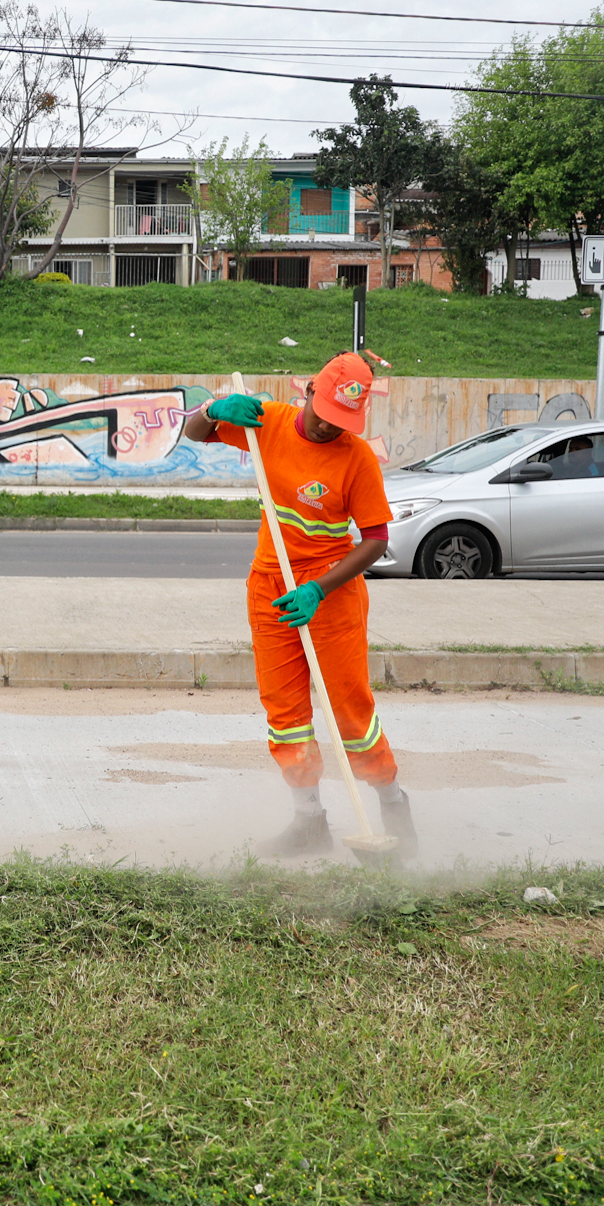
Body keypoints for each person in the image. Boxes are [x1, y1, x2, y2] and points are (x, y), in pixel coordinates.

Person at [181, 352, 415, 857]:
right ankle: (309, 821)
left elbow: (375, 539)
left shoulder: (356, 459)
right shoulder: (268, 423)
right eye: (326, 414)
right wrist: (217, 410)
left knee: (350, 712)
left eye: (343, 421)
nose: (332, 428)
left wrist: (320, 589)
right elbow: (192, 434)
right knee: (285, 711)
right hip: (270, 584)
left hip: (330, 592)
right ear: (310, 391)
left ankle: (394, 804)